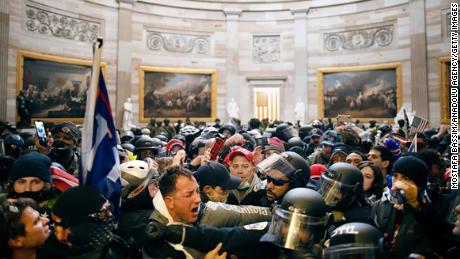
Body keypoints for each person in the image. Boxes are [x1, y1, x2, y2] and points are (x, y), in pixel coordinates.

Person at [145, 188, 330, 259]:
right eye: (287, 223)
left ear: (319, 231)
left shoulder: (332, 251)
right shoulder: (266, 236)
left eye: (301, 227)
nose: (290, 231)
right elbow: (222, 237)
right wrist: (170, 232)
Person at [143, 166, 272, 258]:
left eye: (197, 192)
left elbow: (243, 215)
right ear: (169, 201)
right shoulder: (154, 246)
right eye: (189, 194)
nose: (198, 199)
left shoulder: (208, 211)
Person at [372, 156, 439, 258]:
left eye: (405, 178)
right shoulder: (379, 206)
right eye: (395, 176)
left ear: (418, 183)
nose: (398, 182)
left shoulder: (429, 211)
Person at [41, 186, 123, 259]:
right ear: (75, 226)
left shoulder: (117, 247)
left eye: (109, 209)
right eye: (102, 213)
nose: (110, 216)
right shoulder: (36, 254)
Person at [318, 162, 371, 230]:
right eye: (328, 186)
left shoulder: (360, 219)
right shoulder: (320, 204)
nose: (330, 192)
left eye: (337, 190)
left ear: (352, 194)